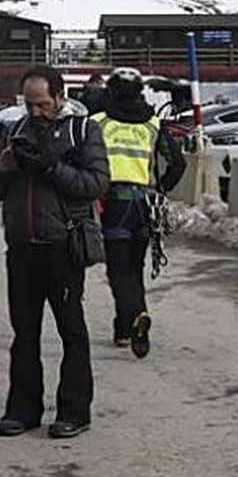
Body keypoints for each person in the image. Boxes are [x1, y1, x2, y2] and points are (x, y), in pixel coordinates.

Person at [0, 65, 111, 439]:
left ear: (59, 98)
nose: (36, 112)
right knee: (24, 334)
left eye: (43, 104)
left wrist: (51, 167)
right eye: (29, 104)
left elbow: (96, 183)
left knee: (72, 331)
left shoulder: (82, 131)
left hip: (63, 247)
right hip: (22, 248)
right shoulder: (13, 131)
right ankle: (22, 410)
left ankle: (74, 410)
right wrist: (4, 167)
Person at [91, 67, 184, 358]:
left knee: (118, 270)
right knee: (134, 268)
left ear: (111, 91)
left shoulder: (98, 123)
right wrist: (161, 188)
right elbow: (178, 163)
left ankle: (135, 315)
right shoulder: (153, 125)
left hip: (112, 202)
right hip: (145, 204)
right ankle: (124, 329)